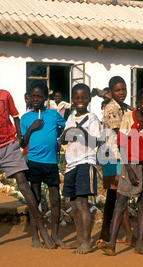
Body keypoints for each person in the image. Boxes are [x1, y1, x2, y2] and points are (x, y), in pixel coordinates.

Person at [0, 62, 55, 249]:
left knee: (24, 184)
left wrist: (19, 136)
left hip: (8, 146)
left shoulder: (5, 95)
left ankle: (42, 229)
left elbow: (15, 115)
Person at [97, 88, 143, 256]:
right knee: (121, 203)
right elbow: (122, 144)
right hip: (130, 165)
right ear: (138, 104)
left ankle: (139, 244)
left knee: (142, 204)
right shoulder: (129, 117)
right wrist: (129, 169)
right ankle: (112, 243)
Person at [20, 82, 66, 248]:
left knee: (55, 200)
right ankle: (35, 236)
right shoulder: (26, 118)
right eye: (33, 96)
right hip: (34, 162)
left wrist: (60, 139)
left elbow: (65, 126)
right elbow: (22, 142)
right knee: (35, 199)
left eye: (39, 96)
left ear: (46, 98)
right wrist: (31, 128)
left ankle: (55, 235)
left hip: (51, 162)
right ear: (29, 97)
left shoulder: (53, 115)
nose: (36, 99)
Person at [59, 83, 101, 254]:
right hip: (71, 165)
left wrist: (80, 131)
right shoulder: (70, 117)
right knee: (74, 204)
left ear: (89, 99)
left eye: (83, 97)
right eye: (76, 98)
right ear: (72, 100)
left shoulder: (93, 118)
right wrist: (66, 132)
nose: (80, 100)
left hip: (85, 163)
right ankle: (78, 238)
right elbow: (62, 141)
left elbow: (96, 142)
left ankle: (86, 241)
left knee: (83, 203)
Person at [98, 76, 134, 246]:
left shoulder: (120, 107)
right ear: (111, 92)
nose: (122, 92)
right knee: (120, 195)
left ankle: (105, 232)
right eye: (118, 90)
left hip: (114, 155)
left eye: (124, 89)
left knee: (113, 195)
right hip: (114, 155)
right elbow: (121, 132)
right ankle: (128, 234)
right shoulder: (112, 108)